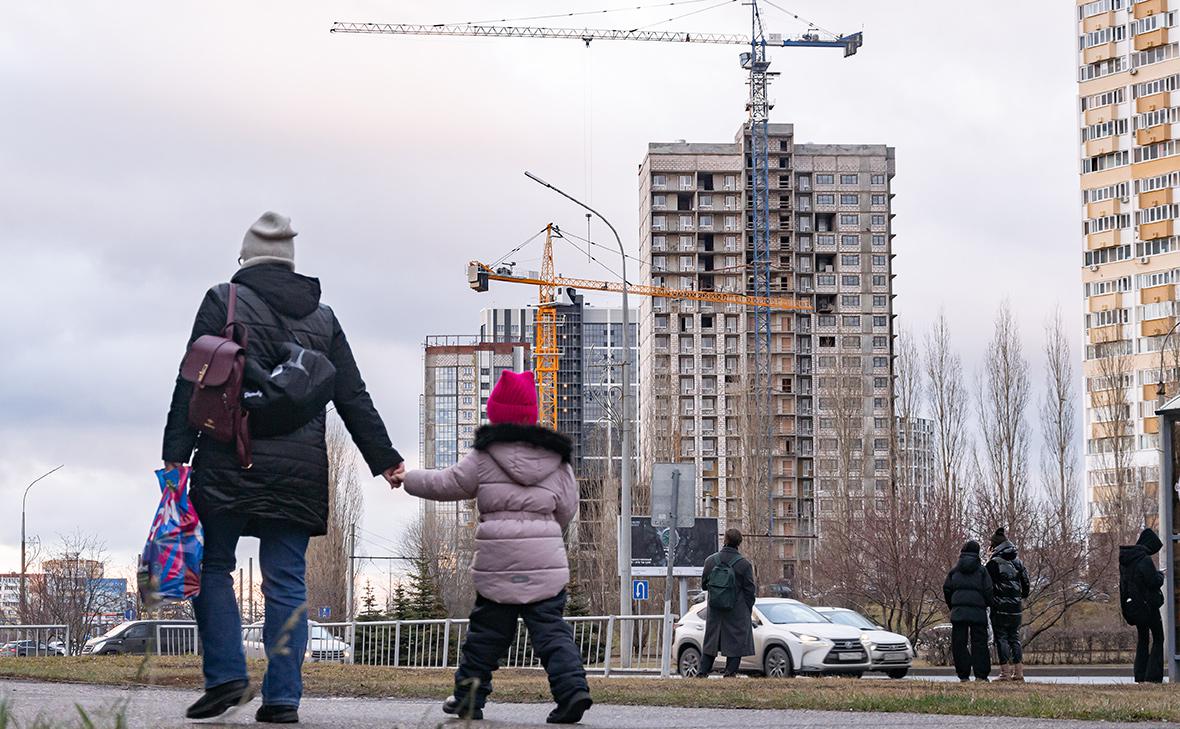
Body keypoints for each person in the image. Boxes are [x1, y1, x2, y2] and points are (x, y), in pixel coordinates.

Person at [163, 212, 404, 723]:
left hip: (229, 457)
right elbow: (352, 394)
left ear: (246, 258)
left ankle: (227, 675)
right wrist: (385, 460)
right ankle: (282, 700)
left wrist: (175, 454)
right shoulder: (324, 318)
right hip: (299, 473)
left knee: (211, 566)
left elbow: (194, 379)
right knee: (287, 582)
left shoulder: (224, 300)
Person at [393, 370, 593, 724]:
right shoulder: (557, 460)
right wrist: (545, 532)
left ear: (496, 414)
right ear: (532, 414)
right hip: (544, 563)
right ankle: (572, 691)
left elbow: (446, 483)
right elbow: (567, 508)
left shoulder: (484, 457)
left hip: (498, 564)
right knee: (551, 631)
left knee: (486, 635)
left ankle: (468, 698)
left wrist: (407, 479)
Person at [698, 528, 757, 678]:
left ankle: (702, 673)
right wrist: (746, 609)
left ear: (725, 540)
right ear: (739, 543)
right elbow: (750, 591)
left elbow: (704, 586)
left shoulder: (710, 561)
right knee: (736, 644)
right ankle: (730, 674)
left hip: (715, 610)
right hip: (737, 611)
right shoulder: (744, 564)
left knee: (711, 642)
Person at [943, 540, 994, 683]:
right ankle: (981, 675)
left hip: (959, 612)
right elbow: (988, 591)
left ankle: (963, 674)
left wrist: (953, 606)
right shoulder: (982, 571)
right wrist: (986, 604)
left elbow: (947, 589)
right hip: (978, 612)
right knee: (980, 643)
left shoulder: (954, 571)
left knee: (959, 643)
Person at [1119, 527, 1166, 683]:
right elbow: (1153, 581)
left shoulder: (1126, 560)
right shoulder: (1144, 559)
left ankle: (1140, 675)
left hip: (1135, 607)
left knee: (1143, 639)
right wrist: (1161, 574)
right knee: (1158, 638)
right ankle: (1153, 676)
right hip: (1149, 606)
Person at [985, 527, 1030, 682]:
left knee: (1001, 638)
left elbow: (987, 586)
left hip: (999, 607)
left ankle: (1005, 672)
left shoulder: (993, 563)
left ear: (994, 547)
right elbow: (1026, 584)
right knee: (1014, 638)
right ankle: (1019, 672)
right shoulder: (1018, 562)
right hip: (1016, 607)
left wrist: (991, 601)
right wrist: (1018, 597)